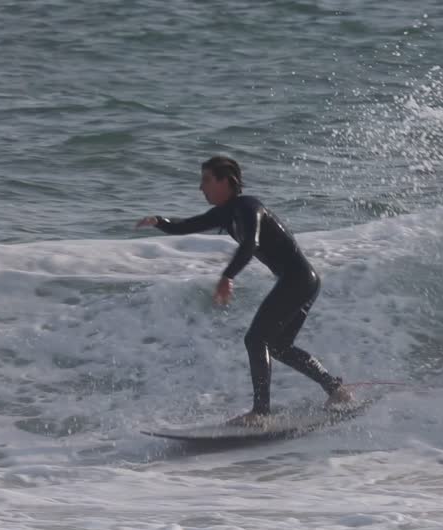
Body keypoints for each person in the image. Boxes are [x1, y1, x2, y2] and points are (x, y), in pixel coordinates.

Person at [137, 156, 352, 426]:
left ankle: (261, 412)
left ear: (226, 181)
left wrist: (228, 275)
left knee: (255, 340)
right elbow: (186, 225)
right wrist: (159, 221)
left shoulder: (249, 207)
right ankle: (336, 390)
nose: (200, 187)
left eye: (206, 180)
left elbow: (251, 243)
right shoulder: (225, 213)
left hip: (298, 281)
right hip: (301, 282)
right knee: (279, 346)